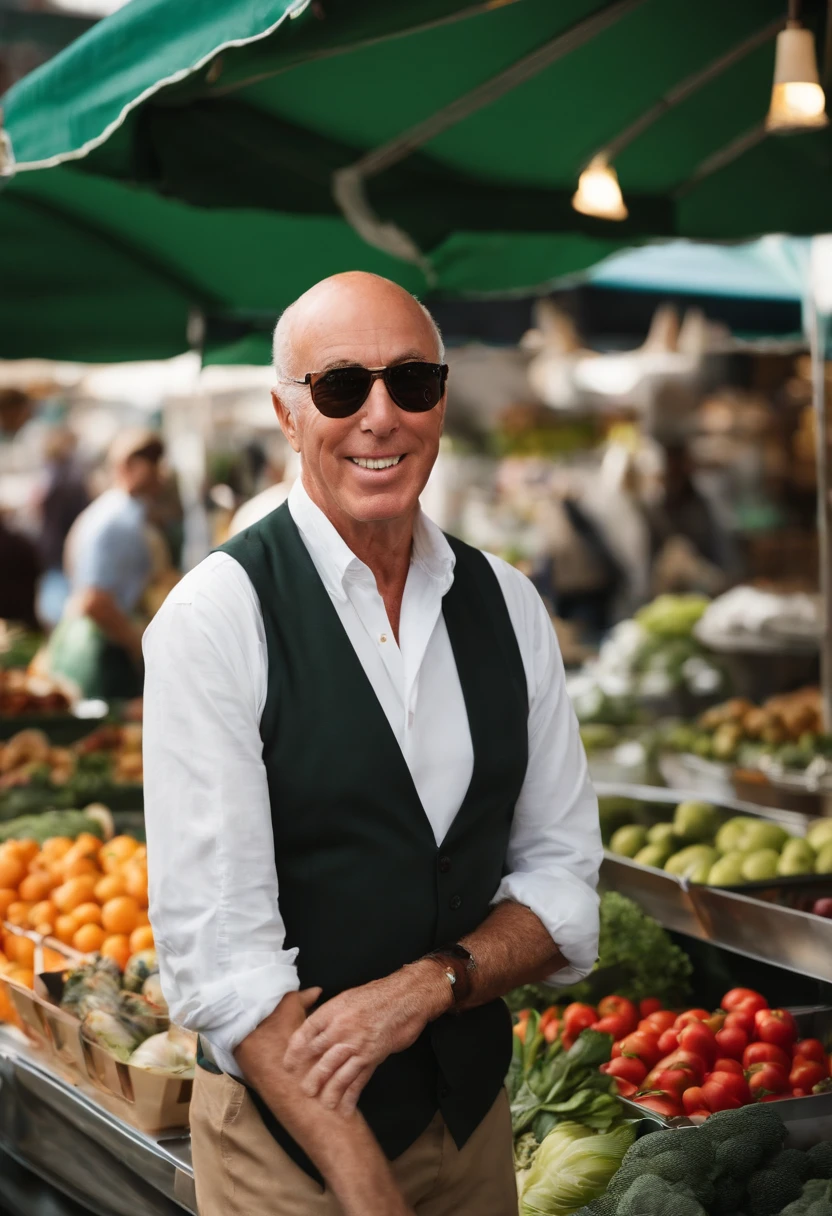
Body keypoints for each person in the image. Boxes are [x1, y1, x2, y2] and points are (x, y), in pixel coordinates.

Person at [143, 273, 601, 1216]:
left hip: (473, 1125)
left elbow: (561, 878)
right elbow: (222, 961)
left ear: (441, 399)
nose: (380, 417)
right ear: (287, 410)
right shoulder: (218, 618)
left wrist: (434, 984)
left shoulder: (507, 606)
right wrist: (361, 1180)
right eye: (342, 387)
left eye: (413, 382)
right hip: (297, 1151)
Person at [47, 429, 164, 700]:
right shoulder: (117, 521)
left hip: (98, 639)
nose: (160, 471)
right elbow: (95, 601)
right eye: (152, 461)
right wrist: (140, 647)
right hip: (102, 649)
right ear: (128, 466)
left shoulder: (112, 512)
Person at [34, 428, 90, 628]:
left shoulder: (61, 478)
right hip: (60, 548)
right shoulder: (62, 476)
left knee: (59, 609)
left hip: (59, 549)